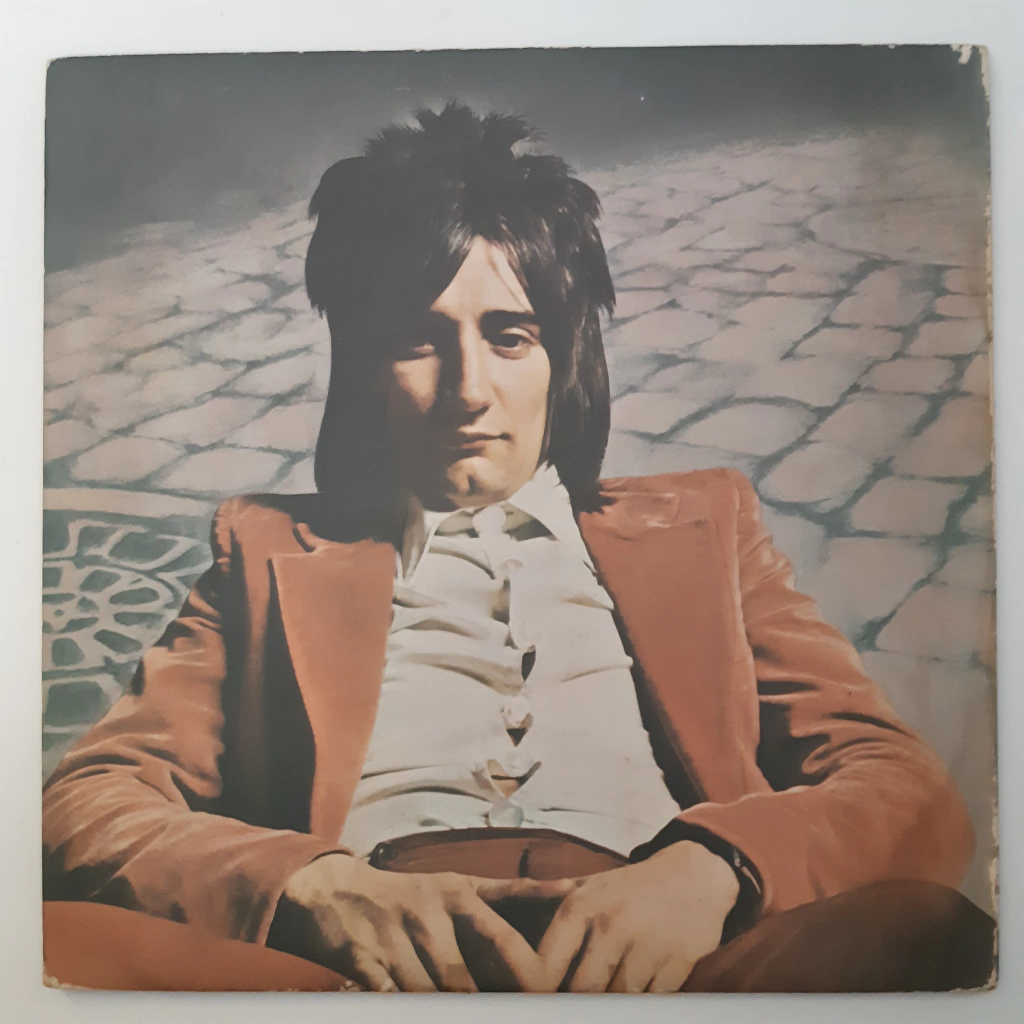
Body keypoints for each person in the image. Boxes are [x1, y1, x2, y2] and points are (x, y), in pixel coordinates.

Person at [42, 103, 994, 993]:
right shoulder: (265, 549)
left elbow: (904, 787)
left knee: (925, 932)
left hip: (676, 965)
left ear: (562, 358)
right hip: (369, 974)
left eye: (509, 336)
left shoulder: (706, 526)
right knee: (46, 945)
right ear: (362, 368)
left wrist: (713, 872)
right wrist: (312, 888)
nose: (469, 391)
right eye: (418, 341)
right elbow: (87, 802)